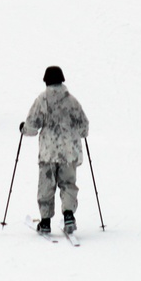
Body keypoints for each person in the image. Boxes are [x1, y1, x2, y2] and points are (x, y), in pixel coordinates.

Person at [20, 66, 90, 235]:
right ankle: (68, 215)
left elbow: (32, 126)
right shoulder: (72, 101)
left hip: (48, 153)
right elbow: (84, 127)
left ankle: (45, 222)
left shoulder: (42, 100)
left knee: (46, 186)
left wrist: (23, 128)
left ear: (46, 81)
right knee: (68, 184)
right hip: (68, 153)